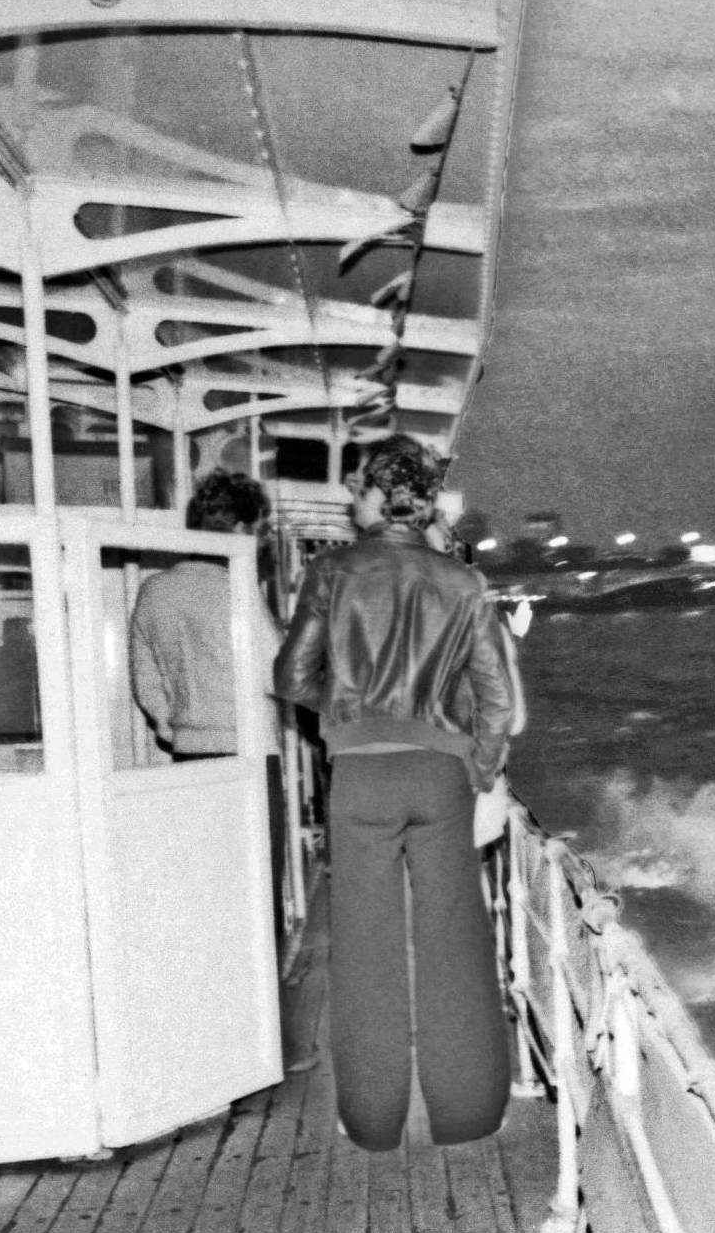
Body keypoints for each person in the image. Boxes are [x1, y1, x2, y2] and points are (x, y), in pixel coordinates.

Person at [273, 434, 522, 1151]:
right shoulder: (462, 582)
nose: (352, 503)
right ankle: (466, 1115)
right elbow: (495, 702)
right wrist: (479, 769)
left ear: (381, 494)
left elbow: (291, 677)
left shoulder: (332, 571)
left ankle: (376, 1121)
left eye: (357, 491)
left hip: (359, 773)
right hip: (440, 771)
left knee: (365, 949)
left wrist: (347, 714)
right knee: (454, 943)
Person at [129, 471, 283, 760]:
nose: (264, 541)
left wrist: (171, 726)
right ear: (240, 529)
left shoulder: (152, 589)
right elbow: (273, 674)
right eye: (260, 531)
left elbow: (145, 680)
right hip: (249, 746)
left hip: (187, 748)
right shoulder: (237, 586)